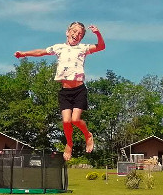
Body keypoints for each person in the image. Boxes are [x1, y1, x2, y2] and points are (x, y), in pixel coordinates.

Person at [14, 22, 105, 161]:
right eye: (74, 31)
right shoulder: (59, 48)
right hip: (65, 92)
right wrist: (24, 54)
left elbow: (101, 46)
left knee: (75, 119)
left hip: (79, 90)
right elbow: (41, 52)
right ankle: (69, 143)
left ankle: (88, 135)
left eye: (80, 34)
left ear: (82, 38)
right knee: (66, 121)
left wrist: (98, 34)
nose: (76, 34)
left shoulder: (83, 48)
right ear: (67, 32)